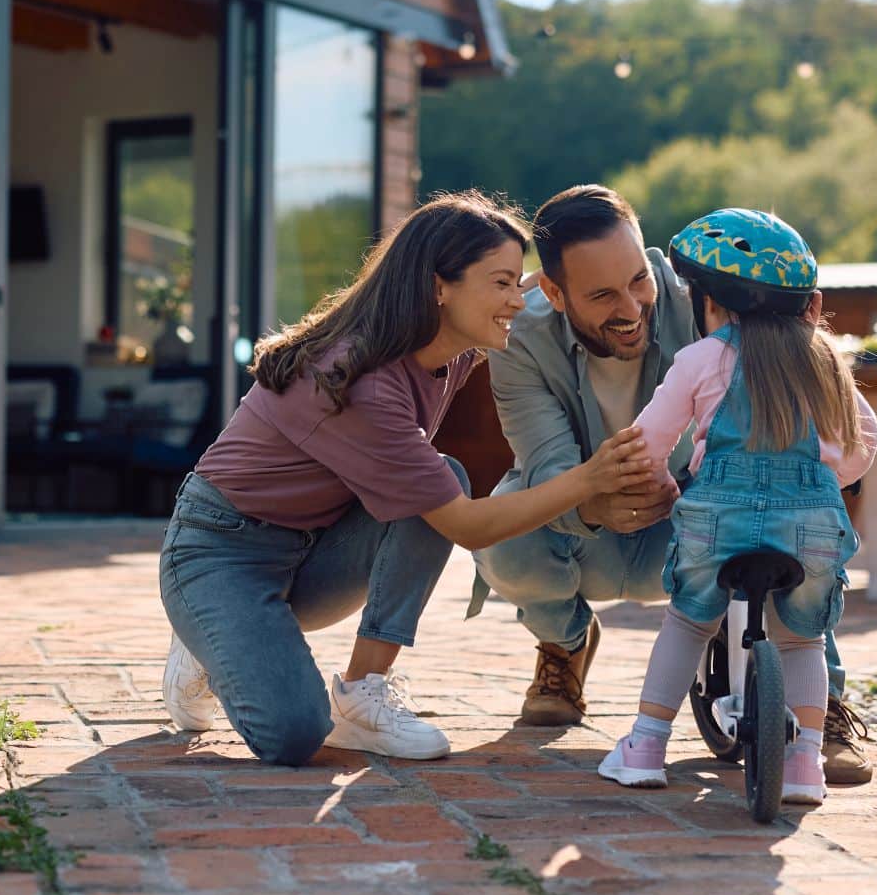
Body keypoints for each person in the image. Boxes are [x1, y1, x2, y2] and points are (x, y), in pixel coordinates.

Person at [158, 191, 656, 767]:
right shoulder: (361, 382)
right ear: (439, 287)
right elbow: (468, 528)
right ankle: (206, 635)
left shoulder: (449, 348)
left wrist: (600, 279)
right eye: (500, 283)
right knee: (293, 736)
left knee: (437, 478)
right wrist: (591, 478)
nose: (516, 301)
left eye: (517, 281)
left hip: (316, 550)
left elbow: (546, 283)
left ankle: (362, 694)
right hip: (221, 549)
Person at [470, 185, 876, 784]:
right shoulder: (521, 340)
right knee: (506, 530)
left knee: (793, 528)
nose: (632, 309)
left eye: (638, 280)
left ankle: (822, 707)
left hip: (701, 511)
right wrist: (603, 499)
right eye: (602, 294)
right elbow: (548, 467)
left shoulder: (700, 291)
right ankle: (565, 644)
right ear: (553, 293)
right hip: (592, 520)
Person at [598, 208, 877, 803]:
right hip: (809, 525)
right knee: (803, 640)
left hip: (716, 520)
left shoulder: (701, 359)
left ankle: (646, 746)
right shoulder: (827, 360)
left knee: (687, 623)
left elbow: (649, 445)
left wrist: (662, 485)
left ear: (712, 304)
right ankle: (805, 763)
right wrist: (830, 480)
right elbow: (861, 447)